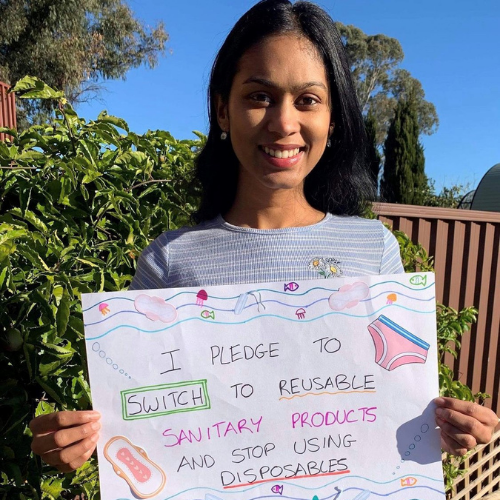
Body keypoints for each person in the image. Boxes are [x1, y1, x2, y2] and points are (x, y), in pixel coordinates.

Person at [30, 0, 498, 474]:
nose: (284, 123)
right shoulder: (169, 261)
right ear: (222, 110)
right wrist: (79, 441)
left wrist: (444, 426)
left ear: (333, 119)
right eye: (259, 96)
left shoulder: (374, 249)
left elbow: (393, 403)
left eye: (308, 100)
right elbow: (142, 418)